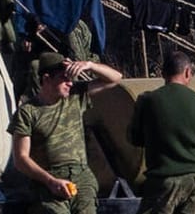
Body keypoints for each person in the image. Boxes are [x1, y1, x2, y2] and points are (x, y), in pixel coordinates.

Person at [10, 51, 123, 214]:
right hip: (49, 179)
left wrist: (90, 65)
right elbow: (21, 158)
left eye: (71, 79)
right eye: (64, 78)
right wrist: (50, 181)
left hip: (81, 176)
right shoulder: (28, 112)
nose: (70, 83)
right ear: (46, 79)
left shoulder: (76, 96)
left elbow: (116, 78)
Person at [128, 50, 195, 214]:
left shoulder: (147, 101)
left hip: (163, 180)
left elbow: (135, 138)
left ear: (162, 73)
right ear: (188, 71)